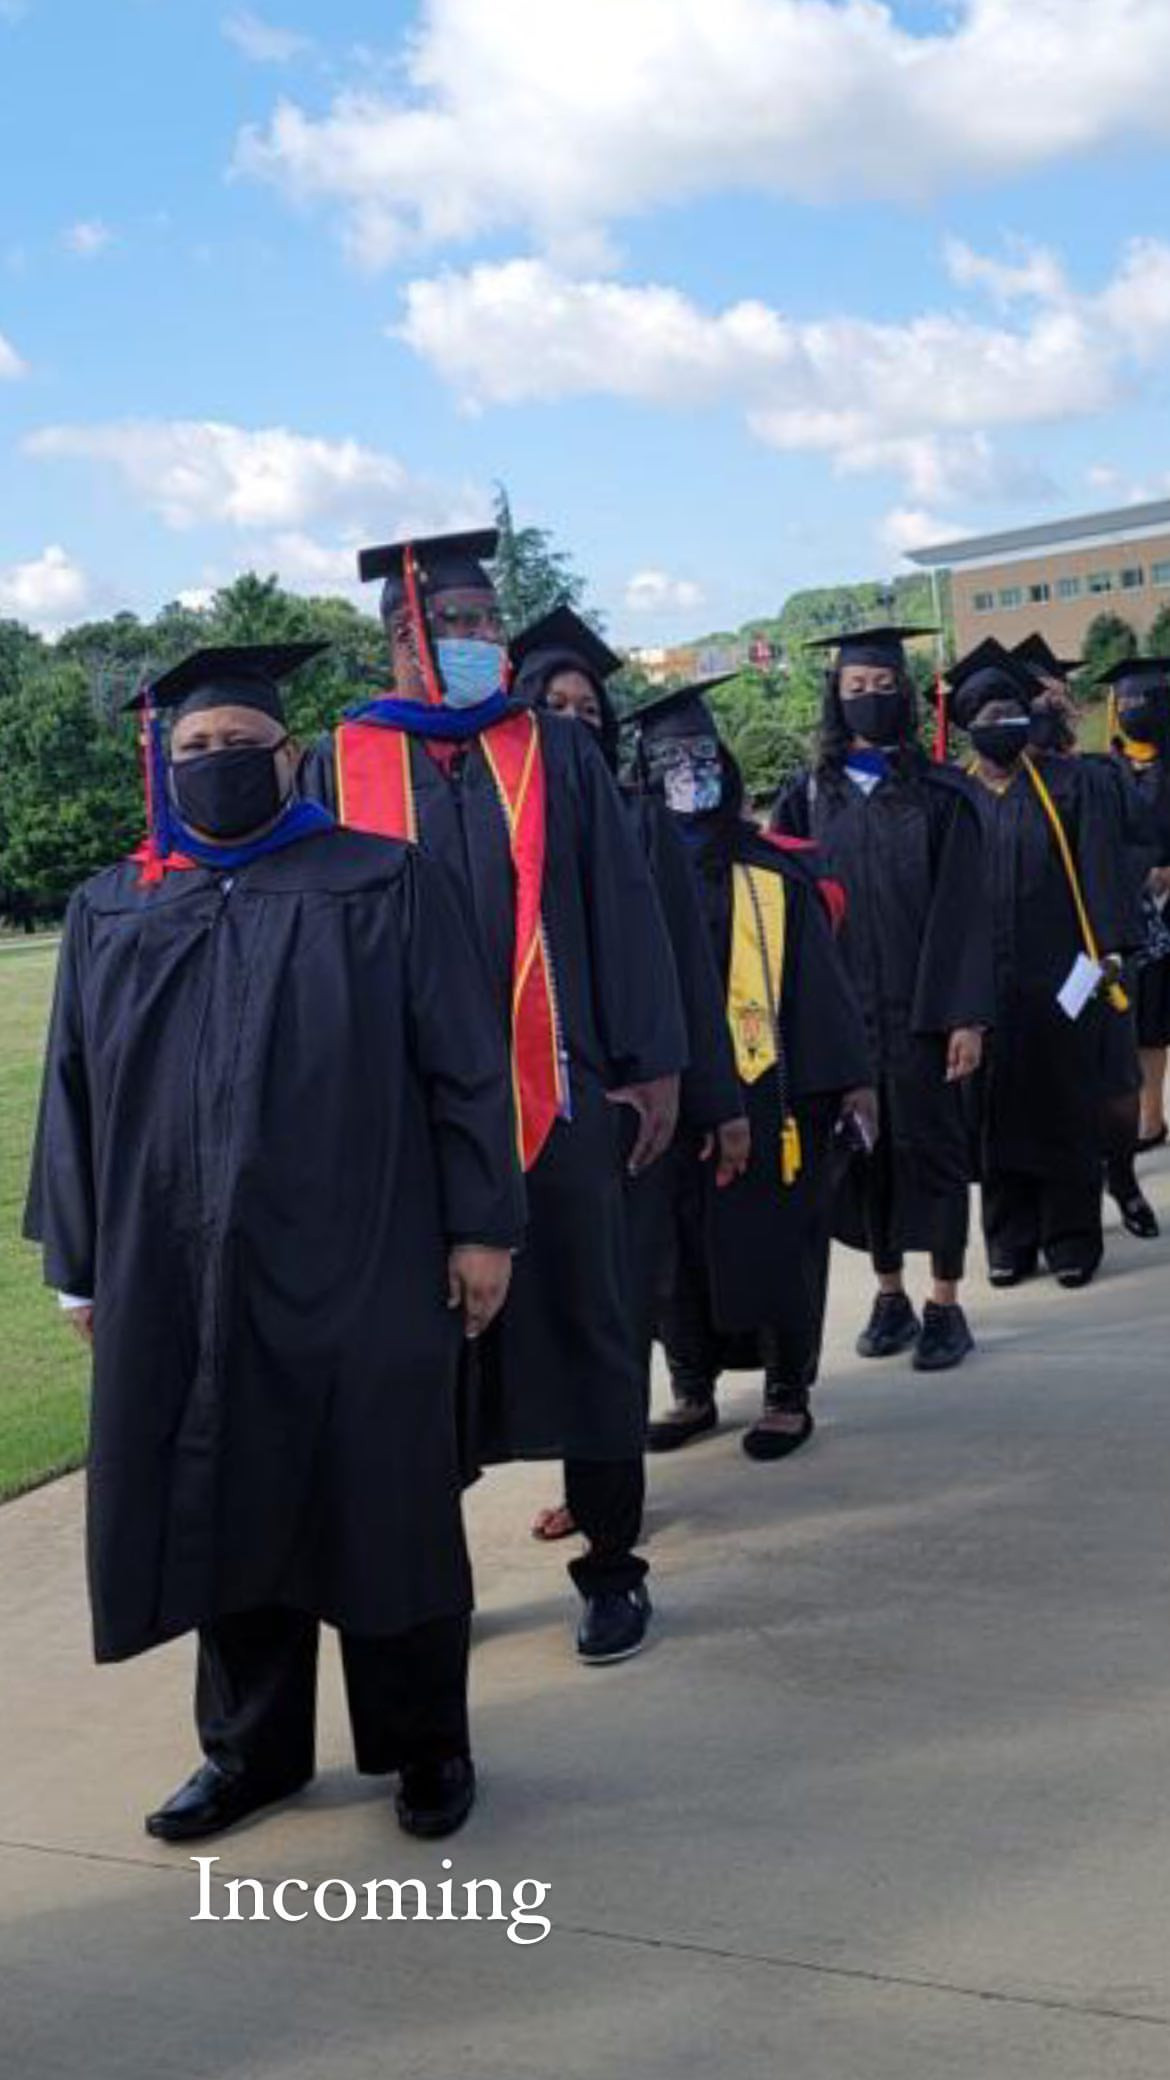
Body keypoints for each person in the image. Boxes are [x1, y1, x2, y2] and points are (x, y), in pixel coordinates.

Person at [24, 644, 523, 1844]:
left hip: (369, 1252)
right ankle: (252, 1752)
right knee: (224, 1498)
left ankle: (424, 1746)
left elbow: (463, 1064)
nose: (217, 762)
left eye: (240, 741)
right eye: (195, 746)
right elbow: (72, 1092)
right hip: (187, 1272)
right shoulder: (115, 904)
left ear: (291, 753)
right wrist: (83, 1263)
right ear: (162, 759)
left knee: (385, 1500)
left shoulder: (383, 879)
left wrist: (483, 1227)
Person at [301, 533, 687, 1666]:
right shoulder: (343, 763)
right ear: (399, 640)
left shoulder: (554, 751)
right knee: (421, 1362)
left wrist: (654, 1062)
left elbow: (621, 907)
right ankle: (441, 1583)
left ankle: (612, 1568)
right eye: (451, 621)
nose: (475, 639)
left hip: (558, 1098)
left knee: (592, 1330)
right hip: (406, 1125)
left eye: (485, 620)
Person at [510, 609, 746, 1527]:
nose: (574, 720)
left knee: (610, 1309)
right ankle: (579, 1469)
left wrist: (716, 1102)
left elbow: (690, 972)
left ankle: (602, 1497)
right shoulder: (491, 819)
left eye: (588, 708)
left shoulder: (640, 821)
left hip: (625, 1112)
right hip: (522, 1106)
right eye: (552, 704)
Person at [620, 682, 874, 1456]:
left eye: (701, 753)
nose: (687, 768)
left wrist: (848, 1082)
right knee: (673, 1252)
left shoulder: (771, 868)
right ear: (643, 769)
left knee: (773, 1239)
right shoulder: (626, 867)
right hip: (670, 1089)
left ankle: (785, 1392)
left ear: (725, 763)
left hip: (769, 1088)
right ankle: (692, 1388)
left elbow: (819, 989)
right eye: (668, 756)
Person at [772, 627, 992, 1371]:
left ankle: (946, 1305)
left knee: (934, 1152)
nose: (869, 700)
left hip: (925, 1014)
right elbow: (784, 908)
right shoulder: (807, 797)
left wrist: (965, 1015)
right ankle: (890, 1293)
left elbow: (965, 912)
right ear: (835, 696)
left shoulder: (942, 795)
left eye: (882, 687)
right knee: (863, 1157)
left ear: (906, 691)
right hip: (842, 1018)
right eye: (854, 688)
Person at [947, 637, 1137, 1287]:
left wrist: (1109, 952)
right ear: (966, 727)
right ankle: (1009, 1238)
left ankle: (1073, 1236)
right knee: (994, 1116)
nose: (1001, 726)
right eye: (986, 716)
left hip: (1063, 980)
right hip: (980, 989)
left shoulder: (1071, 785)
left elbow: (1103, 873)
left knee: (1065, 1107)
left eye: (1011, 713)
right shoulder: (952, 798)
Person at [1011, 634, 1157, 1241]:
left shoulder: (1101, 771)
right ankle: (1053, 1212)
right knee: (1044, 1095)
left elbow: (1144, 835)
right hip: (1027, 962)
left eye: (1056, 695)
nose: (1050, 705)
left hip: (1101, 953)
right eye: (1034, 696)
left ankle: (1122, 1179)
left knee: (1117, 1087)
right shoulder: (987, 786)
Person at [1102, 658, 1170, 1155]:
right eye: (1124, 703)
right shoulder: (1106, 769)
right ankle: (1148, 1121)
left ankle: (1150, 1118)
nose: (1131, 711)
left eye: (1141, 702)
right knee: (1144, 1020)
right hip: (1133, 912)